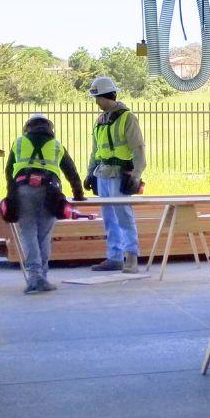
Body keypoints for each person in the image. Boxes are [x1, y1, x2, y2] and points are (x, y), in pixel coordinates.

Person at [4, 115, 87, 294]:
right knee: (44, 236)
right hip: (50, 192)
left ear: (27, 128)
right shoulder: (56, 145)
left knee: (28, 233)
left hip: (23, 190)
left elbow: (9, 171)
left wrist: (11, 195)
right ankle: (43, 276)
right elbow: (71, 171)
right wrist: (78, 194)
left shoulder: (19, 143)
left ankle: (34, 277)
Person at [85, 76, 146, 273]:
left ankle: (131, 257)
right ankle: (115, 257)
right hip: (102, 173)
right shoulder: (100, 121)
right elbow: (95, 150)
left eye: (97, 98)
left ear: (106, 96)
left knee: (123, 216)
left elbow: (138, 148)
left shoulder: (127, 118)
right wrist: (90, 173)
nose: (96, 102)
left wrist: (136, 174)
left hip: (120, 174)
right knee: (109, 217)